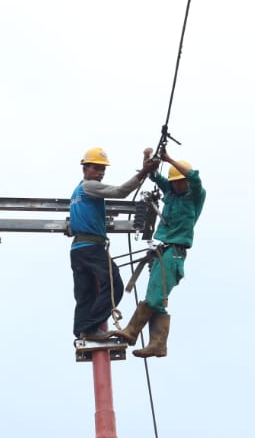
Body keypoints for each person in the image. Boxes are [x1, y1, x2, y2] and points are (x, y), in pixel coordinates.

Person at [109, 149, 206, 358]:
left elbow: (194, 178)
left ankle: (131, 331)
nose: (180, 184)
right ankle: (158, 344)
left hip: (175, 254)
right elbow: (154, 176)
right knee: (158, 299)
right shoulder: (170, 194)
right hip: (162, 253)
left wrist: (169, 159)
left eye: (182, 181)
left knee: (154, 299)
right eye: (176, 182)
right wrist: (148, 160)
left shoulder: (195, 197)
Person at [69, 146, 161, 339]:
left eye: (103, 169)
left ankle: (83, 331)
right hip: (92, 248)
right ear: (85, 168)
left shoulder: (77, 192)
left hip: (77, 250)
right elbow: (120, 192)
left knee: (85, 294)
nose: (100, 173)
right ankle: (92, 327)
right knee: (113, 286)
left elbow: (78, 221)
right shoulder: (89, 186)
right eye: (96, 168)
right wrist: (144, 172)